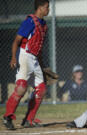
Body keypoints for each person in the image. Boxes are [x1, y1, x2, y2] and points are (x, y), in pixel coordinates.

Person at [3, 0, 49, 130]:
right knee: (22, 87)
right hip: (24, 56)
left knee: (42, 89)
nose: (48, 10)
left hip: (35, 59)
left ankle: (29, 119)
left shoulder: (44, 25)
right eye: (46, 7)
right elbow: (16, 41)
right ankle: (7, 117)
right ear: (39, 8)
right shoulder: (30, 22)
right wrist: (13, 57)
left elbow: (38, 49)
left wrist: (42, 66)